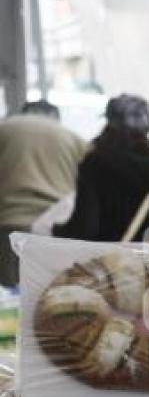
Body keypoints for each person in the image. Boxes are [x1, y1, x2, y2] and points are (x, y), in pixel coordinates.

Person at [52, 94, 149, 242]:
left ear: (110, 123)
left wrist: (56, 230)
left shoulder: (95, 164)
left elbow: (85, 227)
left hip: (112, 261)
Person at [0, 103, 87, 286]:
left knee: (9, 301)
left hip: (9, 222)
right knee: (48, 299)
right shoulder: (71, 138)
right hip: (55, 229)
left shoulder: (5, 129)